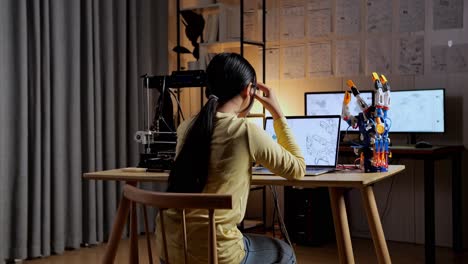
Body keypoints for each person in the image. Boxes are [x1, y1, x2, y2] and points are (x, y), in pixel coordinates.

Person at [156, 53, 305, 264]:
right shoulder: (245, 131)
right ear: (248, 90)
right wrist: (277, 112)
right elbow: (297, 168)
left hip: (170, 250)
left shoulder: (186, 127)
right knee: (285, 252)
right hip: (215, 253)